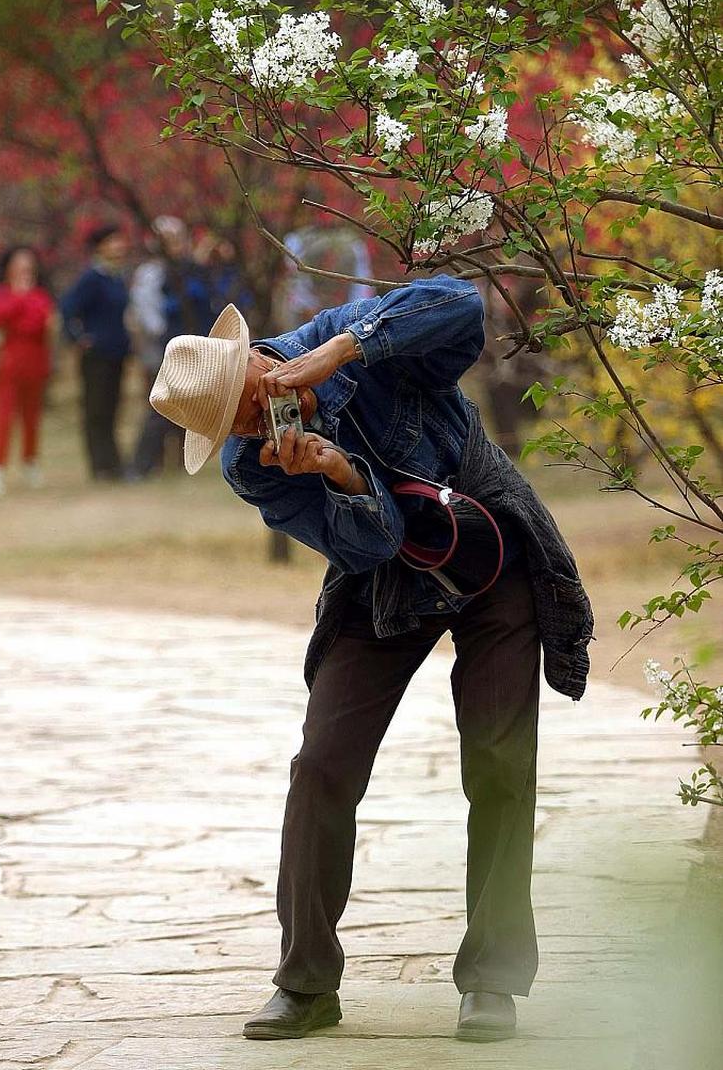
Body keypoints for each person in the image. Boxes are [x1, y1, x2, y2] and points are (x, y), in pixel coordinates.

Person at [148, 275, 594, 1043]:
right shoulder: (252, 466)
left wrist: (340, 352)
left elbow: (461, 307)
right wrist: (337, 474)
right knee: (321, 763)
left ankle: (491, 981)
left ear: (255, 359)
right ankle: (305, 983)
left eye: (250, 400)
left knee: (496, 758)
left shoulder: (342, 339)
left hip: (491, 549)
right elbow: (368, 544)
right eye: (235, 426)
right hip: (383, 583)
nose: (256, 421)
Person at [128, 215, 213, 478]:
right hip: (169, 348)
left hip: (196, 345)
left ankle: (180, 463)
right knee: (161, 406)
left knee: (189, 407)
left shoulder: (190, 268)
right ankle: (140, 466)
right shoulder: (156, 272)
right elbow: (149, 313)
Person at [61, 224, 130, 481]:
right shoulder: (92, 277)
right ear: (101, 246)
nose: (119, 245)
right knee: (96, 410)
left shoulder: (117, 277)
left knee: (112, 409)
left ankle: (114, 463)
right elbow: (68, 308)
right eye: (113, 240)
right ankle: (100, 466)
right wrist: (79, 338)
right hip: (97, 356)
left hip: (117, 353)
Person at [0, 246, 55, 499]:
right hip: (9, 363)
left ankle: (30, 461)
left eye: (29, 262)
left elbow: (38, 324)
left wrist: (21, 308)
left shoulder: (41, 295)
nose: (25, 267)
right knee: (3, 417)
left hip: (35, 362)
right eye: (20, 262)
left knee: (31, 418)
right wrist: (19, 298)